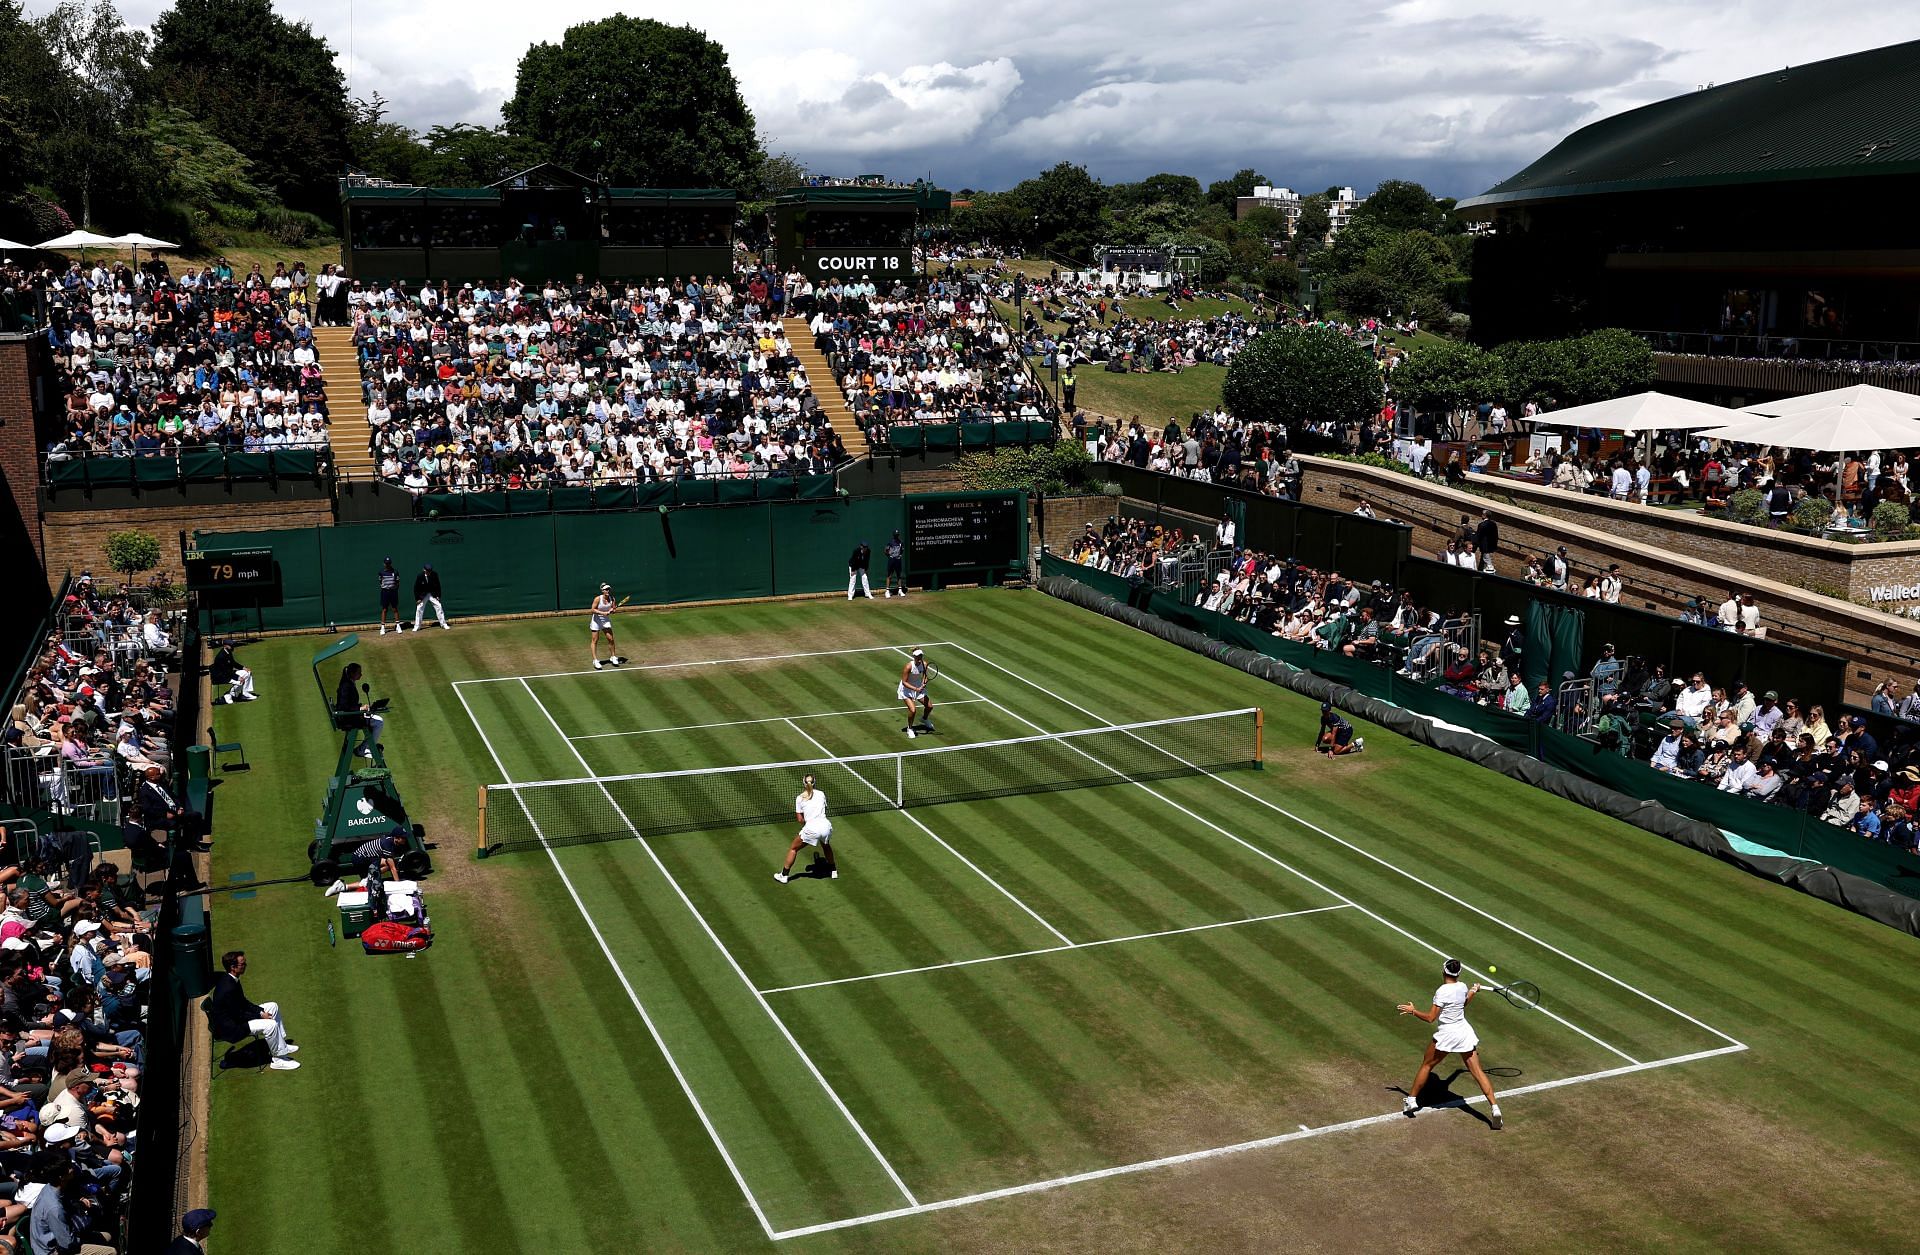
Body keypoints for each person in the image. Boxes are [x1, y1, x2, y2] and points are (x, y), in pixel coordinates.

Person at [1397, 957, 1502, 1130]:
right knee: (1477, 1072)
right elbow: (1464, 1002)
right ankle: (1495, 1108)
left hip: (1448, 1034)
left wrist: (1413, 1011)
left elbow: (1431, 1018)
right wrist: (1473, 991)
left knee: (1427, 1065)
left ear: (1444, 971)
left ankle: (1411, 1101)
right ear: (1458, 973)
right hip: (1464, 1033)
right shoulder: (1462, 987)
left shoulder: (1442, 991)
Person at [206, 950, 298, 1070]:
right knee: (270, 1025)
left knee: (273, 1007)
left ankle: (282, 1045)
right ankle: (278, 1059)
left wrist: (260, 1012)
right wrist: (260, 1016)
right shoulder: (228, 988)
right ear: (233, 967)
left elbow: (244, 1003)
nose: (246, 966)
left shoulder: (232, 979)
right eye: (243, 964)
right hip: (233, 1028)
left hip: (237, 1018)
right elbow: (238, 1014)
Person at [773, 773, 837, 884]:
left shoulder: (799, 798)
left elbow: (800, 819)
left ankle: (784, 875)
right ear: (814, 783)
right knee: (826, 845)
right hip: (826, 826)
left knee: (793, 848)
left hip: (812, 829)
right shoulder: (821, 794)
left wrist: (807, 828)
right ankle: (833, 871)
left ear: (803, 783)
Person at [334, 661, 382, 759]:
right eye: (359, 672)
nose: (361, 674)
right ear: (352, 673)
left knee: (376, 719)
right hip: (349, 719)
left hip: (352, 715)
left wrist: (362, 708)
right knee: (379, 722)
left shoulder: (349, 683)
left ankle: (364, 748)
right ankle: (362, 749)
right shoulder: (346, 686)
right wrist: (360, 709)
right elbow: (343, 707)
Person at [588, 584, 626, 671]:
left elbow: (613, 609)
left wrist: (613, 610)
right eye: (606, 589)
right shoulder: (598, 599)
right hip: (596, 621)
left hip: (605, 621)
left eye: (608, 589)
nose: (607, 591)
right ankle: (595, 660)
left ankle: (613, 657)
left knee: (610, 639)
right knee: (595, 640)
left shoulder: (612, 599)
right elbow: (592, 610)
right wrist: (603, 613)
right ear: (602, 591)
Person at [898, 648, 934, 737]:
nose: (920, 657)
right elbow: (904, 682)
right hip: (906, 689)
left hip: (918, 687)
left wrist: (924, 682)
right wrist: (915, 689)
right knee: (913, 710)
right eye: (918, 656)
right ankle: (909, 729)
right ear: (914, 656)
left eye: (921, 655)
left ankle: (924, 719)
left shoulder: (924, 664)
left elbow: (925, 676)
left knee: (929, 706)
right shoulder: (908, 666)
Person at [412, 563, 449, 631]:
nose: (429, 572)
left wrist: (438, 595)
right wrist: (418, 599)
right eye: (428, 571)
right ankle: (417, 626)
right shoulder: (420, 576)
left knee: (439, 606)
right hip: (423, 595)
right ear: (424, 570)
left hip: (432, 594)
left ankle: (443, 624)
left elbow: (438, 585)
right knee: (419, 609)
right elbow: (416, 588)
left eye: (430, 571)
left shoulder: (434, 574)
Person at [376, 557, 402, 636]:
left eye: (389, 563)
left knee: (395, 609)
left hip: (393, 592)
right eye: (386, 564)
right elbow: (380, 582)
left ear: (391, 564)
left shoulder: (395, 572)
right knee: (384, 609)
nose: (387, 565)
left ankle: (398, 626)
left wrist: (393, 589)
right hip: (385, 592)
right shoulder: (381, 572)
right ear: (384, 564)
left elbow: (397, 582)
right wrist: (386, 588)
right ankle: (383, 627)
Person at [883, 530, 906, 598]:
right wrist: (890, 556)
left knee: (899, 575)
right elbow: (885, 551)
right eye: (895, 535)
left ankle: (900, 590)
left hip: (898, 560)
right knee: (889, 575)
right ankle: (887, 591)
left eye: (897, 535)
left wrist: (899, 556)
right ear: (894, 535)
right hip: (891, 560)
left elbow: (902, 550)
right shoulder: (890, 542)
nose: (896, 536)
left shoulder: (901, 542)